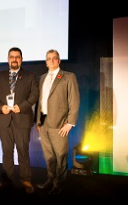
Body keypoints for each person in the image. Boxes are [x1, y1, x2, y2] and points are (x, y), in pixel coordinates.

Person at [0, 47, 39, 194]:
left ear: (21, 59)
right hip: (4, 119)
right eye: (11, 57)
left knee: (23, 152)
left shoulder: (30, 76)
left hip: (22, 119)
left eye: (17, 57)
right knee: (7, 152)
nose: (14, 59)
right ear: (8, 59)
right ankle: (6, 180)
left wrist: (22, 106)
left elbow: (34, 95)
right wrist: (1, 107)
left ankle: (26, 180)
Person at [35, 49, 80, 195]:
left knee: (60, 156)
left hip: (60, 123)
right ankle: (51, 180)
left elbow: (74, 100)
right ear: (46, 61)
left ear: (59, 60)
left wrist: (70, 123)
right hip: (44, 123)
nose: (52, 61)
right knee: (49, 157)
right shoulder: (42, 78)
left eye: (55, 58)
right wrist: (38, 121)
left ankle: (59, 185)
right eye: (49, 58)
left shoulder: (68, 77)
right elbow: (40, 101)